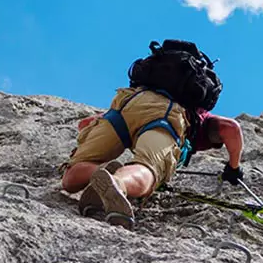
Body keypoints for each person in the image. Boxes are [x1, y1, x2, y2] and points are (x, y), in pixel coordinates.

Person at [61, 40, 244, 228]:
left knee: (71, 179)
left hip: (124, 106)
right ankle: (118, 182)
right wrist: (233, 168)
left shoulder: (146, 82)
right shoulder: (198, 114)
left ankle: (97, 173)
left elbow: (84, 124)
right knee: (148, 169)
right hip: (164, 117)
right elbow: (231, 128)